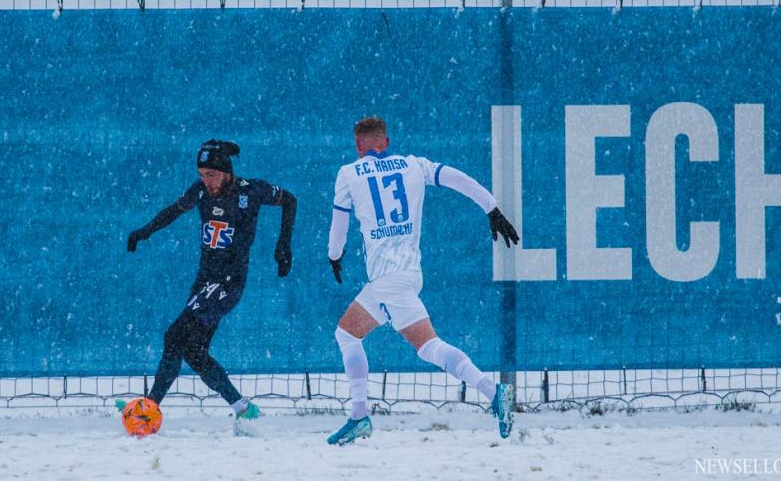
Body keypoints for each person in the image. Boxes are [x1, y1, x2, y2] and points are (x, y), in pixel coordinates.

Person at [326, 117, 520, 445]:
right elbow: (456, 178)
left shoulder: (348, 173)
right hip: (407, 275)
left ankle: (493, 392)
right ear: (386, 143)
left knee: (428, 346)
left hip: (388, 279)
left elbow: (338, 229)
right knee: (346, 333)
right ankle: (359, 416)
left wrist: (334, 255)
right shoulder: (414, 165)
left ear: (358, 147)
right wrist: (492, 208)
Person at [123, 140, 297, 423]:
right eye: (202, 174)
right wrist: (144, 232)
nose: (206, 181)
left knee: (173, 336)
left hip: (228, 282)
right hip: (204, 281)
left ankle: (148, 409)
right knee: (194, 352)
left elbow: (290, 200)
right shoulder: (200, 192)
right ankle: (243, 408)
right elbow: (173, 210)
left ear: (226, 171)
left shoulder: (250, 191)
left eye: (211, 175)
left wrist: (283, 246)